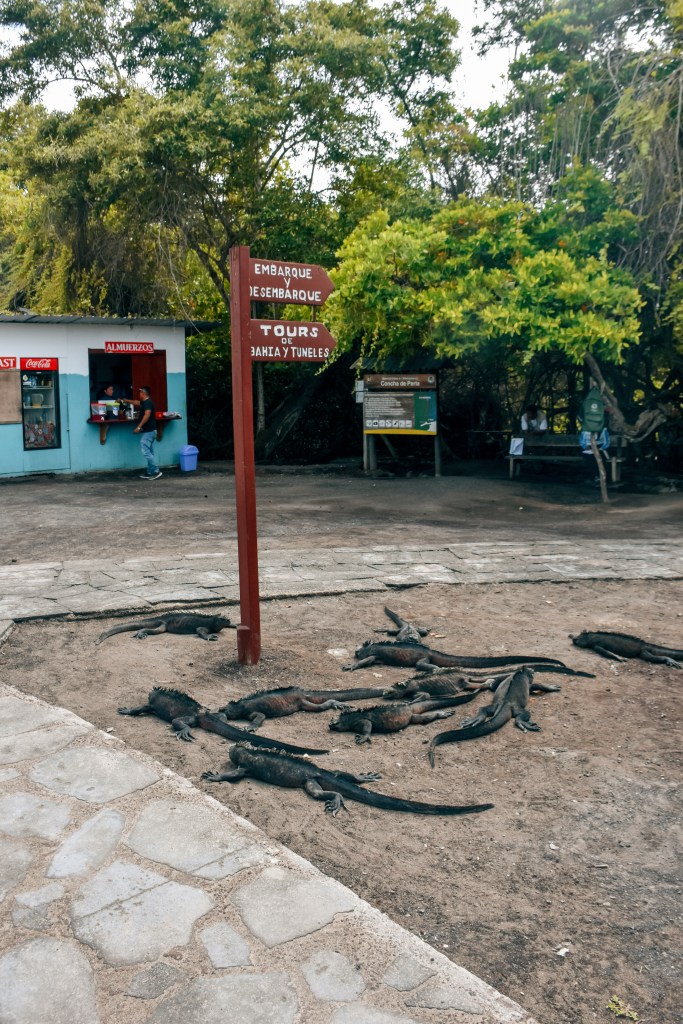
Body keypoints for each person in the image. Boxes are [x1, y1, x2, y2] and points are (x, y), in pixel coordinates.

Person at [133, 386, 162, 480]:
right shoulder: (145, 402)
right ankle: (150, 472)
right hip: (150, 431)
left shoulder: (148, 403)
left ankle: (156, 471)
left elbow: (147, 414)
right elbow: (136, 402)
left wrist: (139, 426)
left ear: (143, 393)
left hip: (149, 431)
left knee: (145, 451)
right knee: (150, 452)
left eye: (140, 392)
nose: (139, 394)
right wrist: (126, 401)